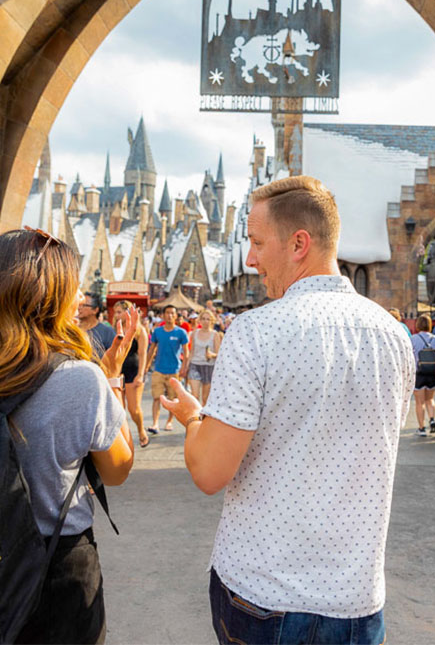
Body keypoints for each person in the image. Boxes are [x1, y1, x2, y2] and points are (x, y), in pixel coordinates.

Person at [161, 176, 413, 645]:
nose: (251, 258)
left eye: (257, 243)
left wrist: (195, 420)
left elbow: (211, 472)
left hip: (265, 597)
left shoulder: (256, 331)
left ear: (299, 243)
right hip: (356, 601)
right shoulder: (394, 337)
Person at [0, 229, 135, 644]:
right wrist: (112, 380)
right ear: (51, 298)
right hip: (52, 565)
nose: (81, 301)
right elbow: (117, 470)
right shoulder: (79, 378)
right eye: (74, 291)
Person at [144, 304, 189, 435]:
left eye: (172, 313)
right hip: (158, 369)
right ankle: (155, 423)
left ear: (175, 316)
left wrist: (184, 368)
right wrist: (146, 367)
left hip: (174, 370)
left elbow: (186, 352)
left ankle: (169, 421)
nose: (169, 315)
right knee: (157, 397)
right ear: (163, 315)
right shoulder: (158, 332)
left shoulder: (181, 332)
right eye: (167, 313)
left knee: (172, 399)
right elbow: (151, 350)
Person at [114, 300, 150, 448]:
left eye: (119, 312)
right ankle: (122, 437)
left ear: (127, 312)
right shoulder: (116, 329)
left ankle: (141, 431)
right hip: (117, 372)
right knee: (118, 408)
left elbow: (143, 354)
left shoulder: (139, 331)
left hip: (133, 371)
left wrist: (140, 375)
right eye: (115, 312)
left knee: (133, 409)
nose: (116, 315)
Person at [410, 313, 435, 437]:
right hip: (432, 373)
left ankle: (421, 428)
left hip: (419, 373)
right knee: (430, 399)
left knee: (420, 402)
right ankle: (432, 418)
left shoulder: (413, 339)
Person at [188, 309, 222, 405]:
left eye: (208, 319)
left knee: (205, 398)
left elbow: (219, 353)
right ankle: (195, 417)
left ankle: (203, 418)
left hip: (208, 366)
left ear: (211, 321)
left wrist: (212, 355)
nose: (205, 321)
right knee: (194, 395)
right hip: (195, 364)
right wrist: (186, 366)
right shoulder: (194, 333)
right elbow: (191, 351)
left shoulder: (215, 334)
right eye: (203, 319)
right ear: (200, 320)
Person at [78, 292, 116, 356]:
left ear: (95, 310)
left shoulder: (107, 332)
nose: (79, 308)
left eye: (84, 305)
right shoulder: (70, 330)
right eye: (78, 304)